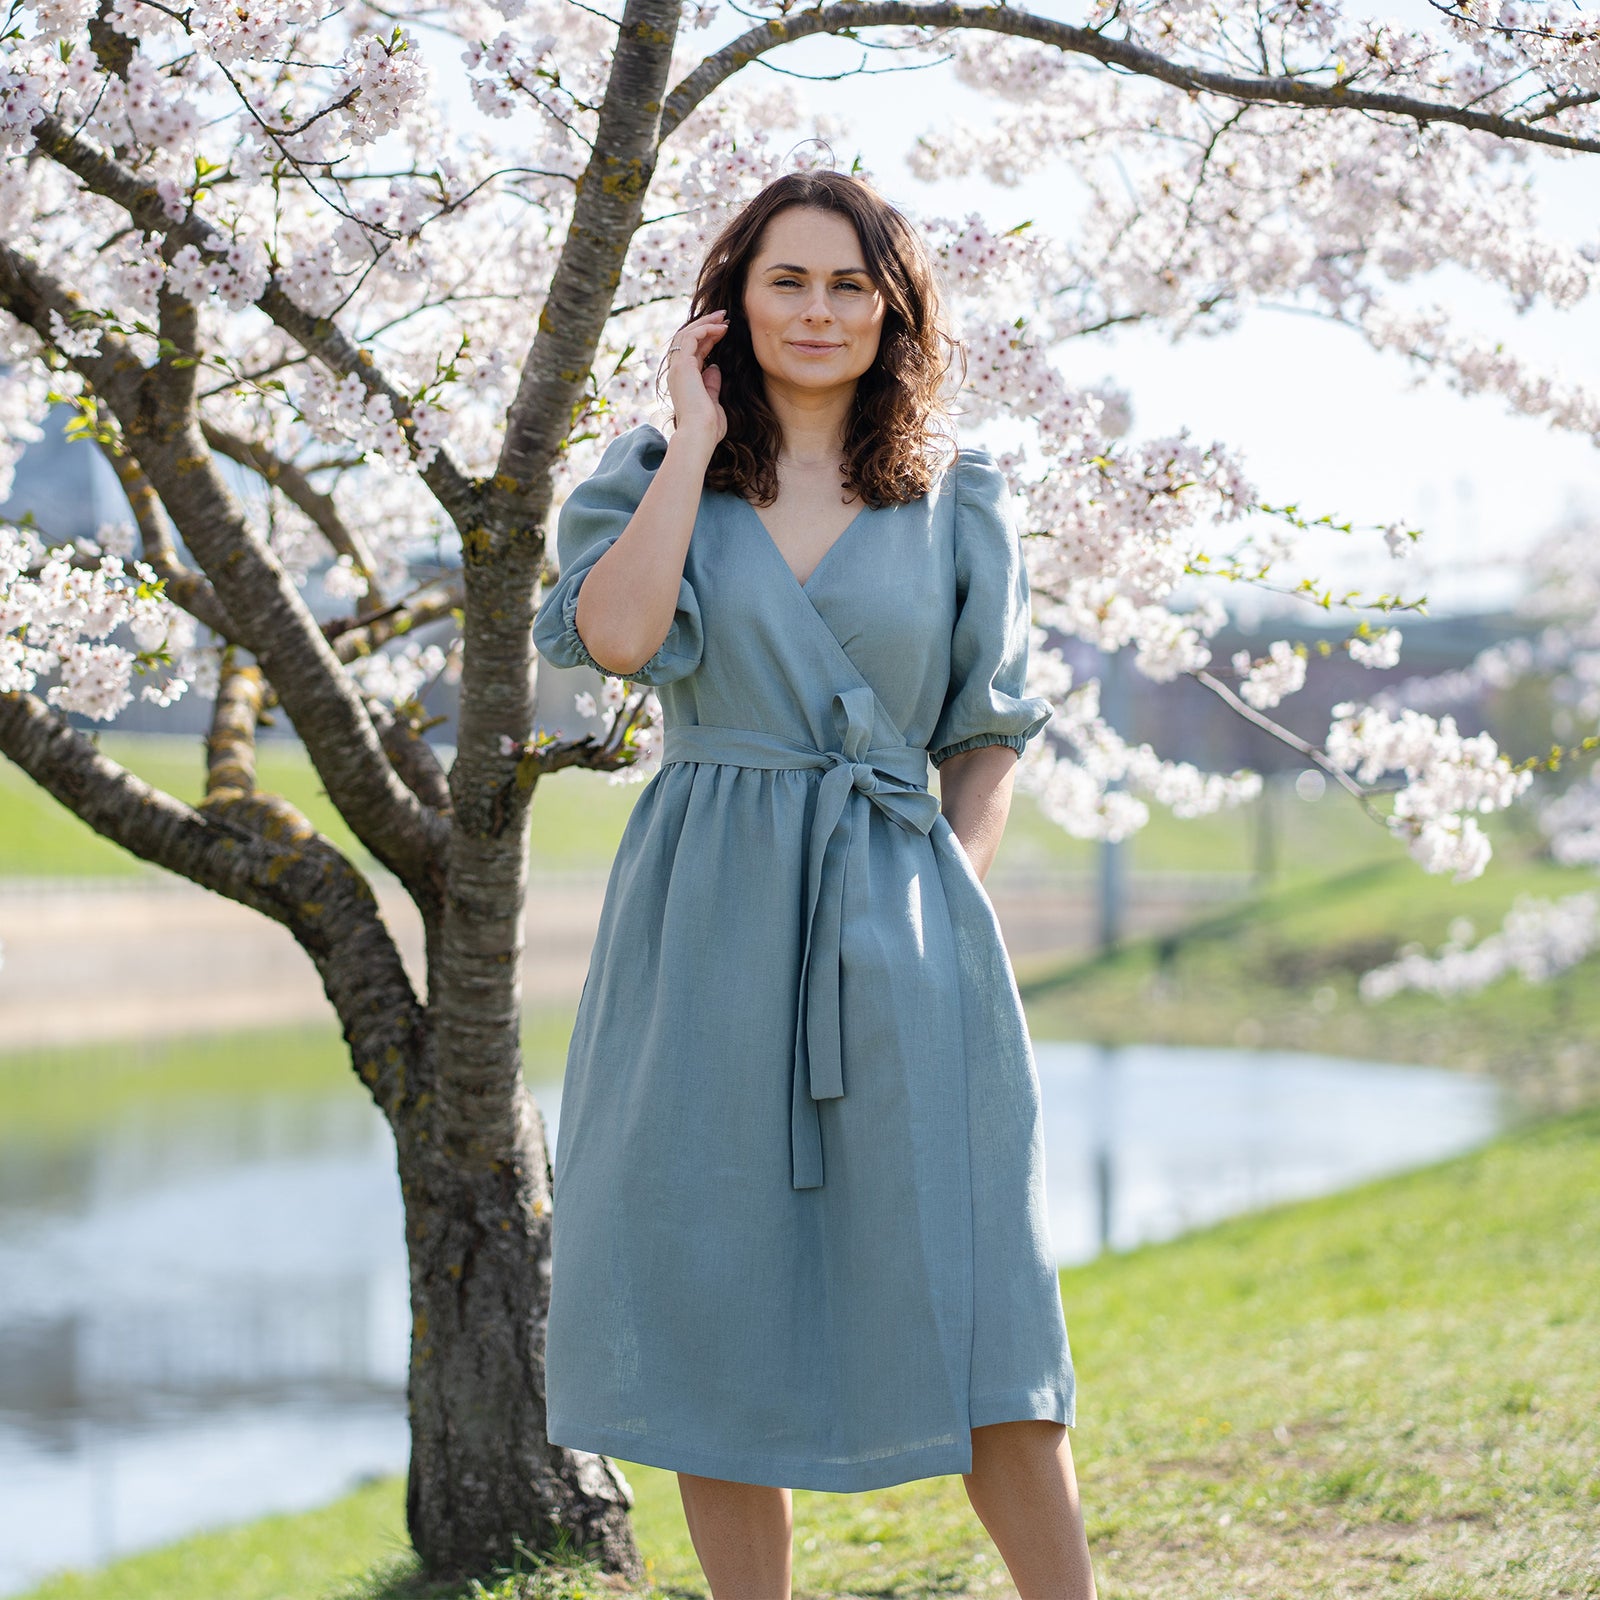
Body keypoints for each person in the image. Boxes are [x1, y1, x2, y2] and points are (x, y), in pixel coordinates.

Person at [531, 169, 1097, 1600]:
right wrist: (690, 442)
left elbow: (987, 737)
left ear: (893, 307)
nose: (821, 310)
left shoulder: (959, 496)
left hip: (902, 923)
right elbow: (611, 638)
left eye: (852, 284)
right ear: (735, 299)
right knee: (713, 1294)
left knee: (981, 1305)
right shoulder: (652, 471)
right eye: (789, 279)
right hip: (702, 926)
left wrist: (942, 907)